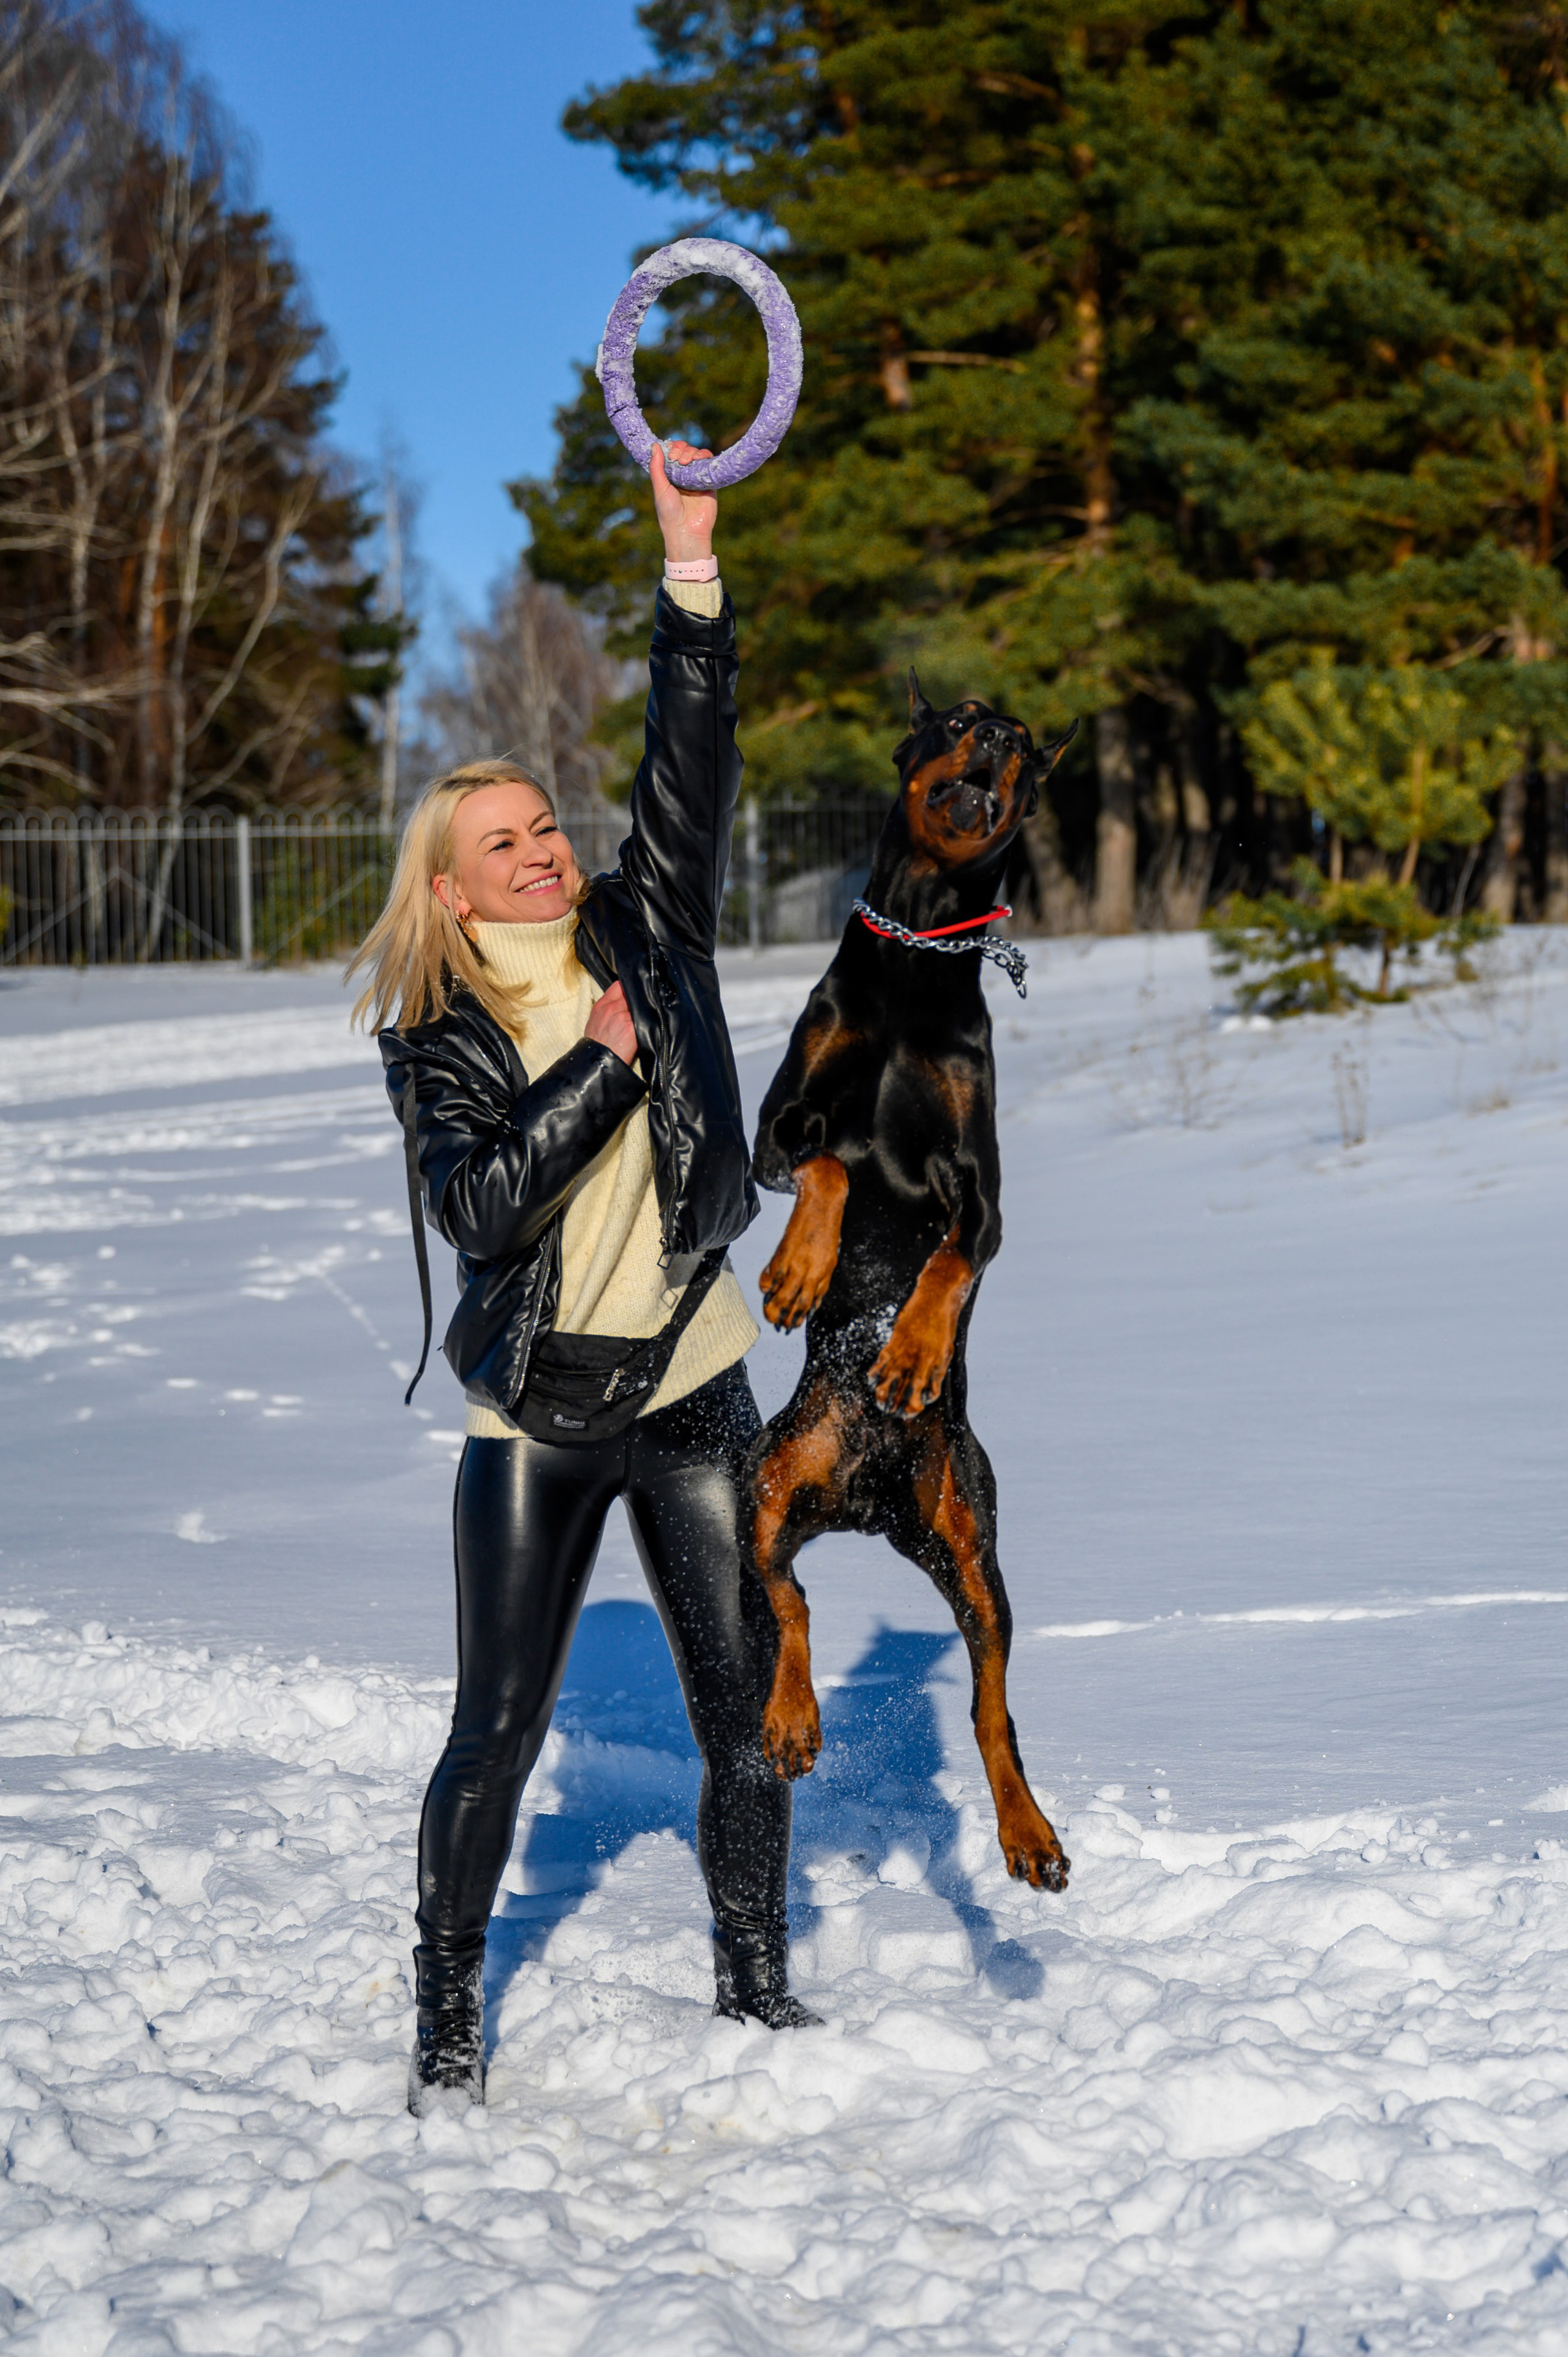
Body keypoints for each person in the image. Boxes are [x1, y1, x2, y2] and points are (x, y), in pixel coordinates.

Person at [350, 442, 814, 2116]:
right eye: (505, 842)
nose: (544, 852)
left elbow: (690, 763)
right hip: (541, 1423)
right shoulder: (440, 1036)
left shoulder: (647, 927)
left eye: (547, 823)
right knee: (497, 1738)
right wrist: (601, 1071)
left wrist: (691, 566)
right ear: (452, 889)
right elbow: (479, 1205)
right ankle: (449, 2004)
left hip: (694, 1387)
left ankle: (756, 1984)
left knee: (747, 1711)